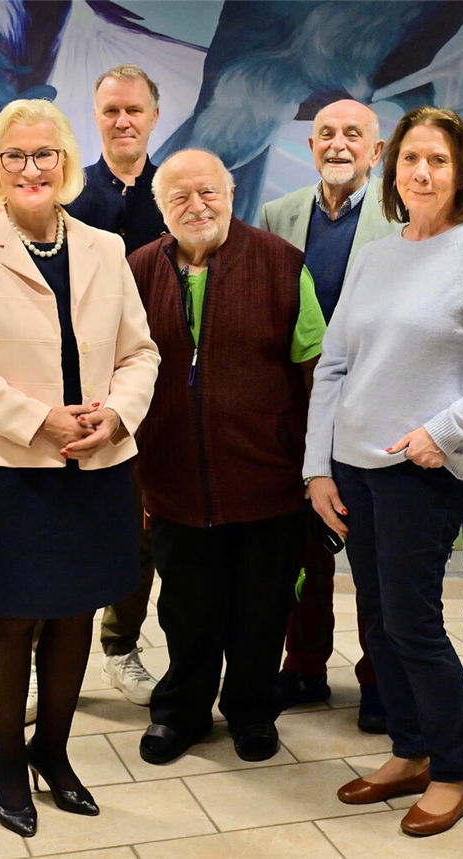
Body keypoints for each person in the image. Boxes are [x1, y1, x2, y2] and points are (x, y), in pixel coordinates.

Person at [302, 107, 463, 837]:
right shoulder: (377, 256)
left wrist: (447, 431)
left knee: (413, 620)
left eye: (438, 160)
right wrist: (318, 468)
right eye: (410, 159)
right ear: (392, 170)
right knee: (376, 619)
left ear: (460, 171)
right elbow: (336, 365)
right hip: (354, 466)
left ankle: (454, 767)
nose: (422, 172)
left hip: (421, 467)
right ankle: (409, 750)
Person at [0, 99, 159, 838]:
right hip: (7, 463)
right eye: (15, 157)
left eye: (45, 154)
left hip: (95, 462)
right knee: (14, 614)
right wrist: (41, 417)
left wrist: (114, 414)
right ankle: (5, 758)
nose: (31, 168)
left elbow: (140, 353)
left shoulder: (103, 247)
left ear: (65, 163)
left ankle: (52, 751)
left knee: (76, 611)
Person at [130, 149, 326, 767]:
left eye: (208, 192)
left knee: (262, 611)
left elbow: (316, 372)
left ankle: (250, 711)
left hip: (267, 480)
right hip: (173, 481)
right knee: (185, 610)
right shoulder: (136, 272)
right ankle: (181, 713)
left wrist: (316, 466)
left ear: (232, 193)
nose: (196, 206)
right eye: (179, 197)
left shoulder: (280, 263)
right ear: (162, 210)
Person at [259, 98, 398, 731]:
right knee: (302, 553)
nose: (337, 144)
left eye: (353, 134)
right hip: (298, 412)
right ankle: (306, 666)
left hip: (376, 410)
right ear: (310, 147)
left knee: (372, 556)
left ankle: (378, 677)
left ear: (376, 148)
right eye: (324, 135)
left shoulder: (401, 223)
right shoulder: (276, 215)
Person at [63, 63, 168, 708]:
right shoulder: (70, 194)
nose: (123, 121)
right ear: (95, 117)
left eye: (134, 110)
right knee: (72, 526)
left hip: (161, 388)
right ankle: (55, 660)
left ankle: (120, 645)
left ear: (155, 116)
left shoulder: (177, 191)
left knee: (147, 529)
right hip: (78, 391)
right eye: (111, 111)